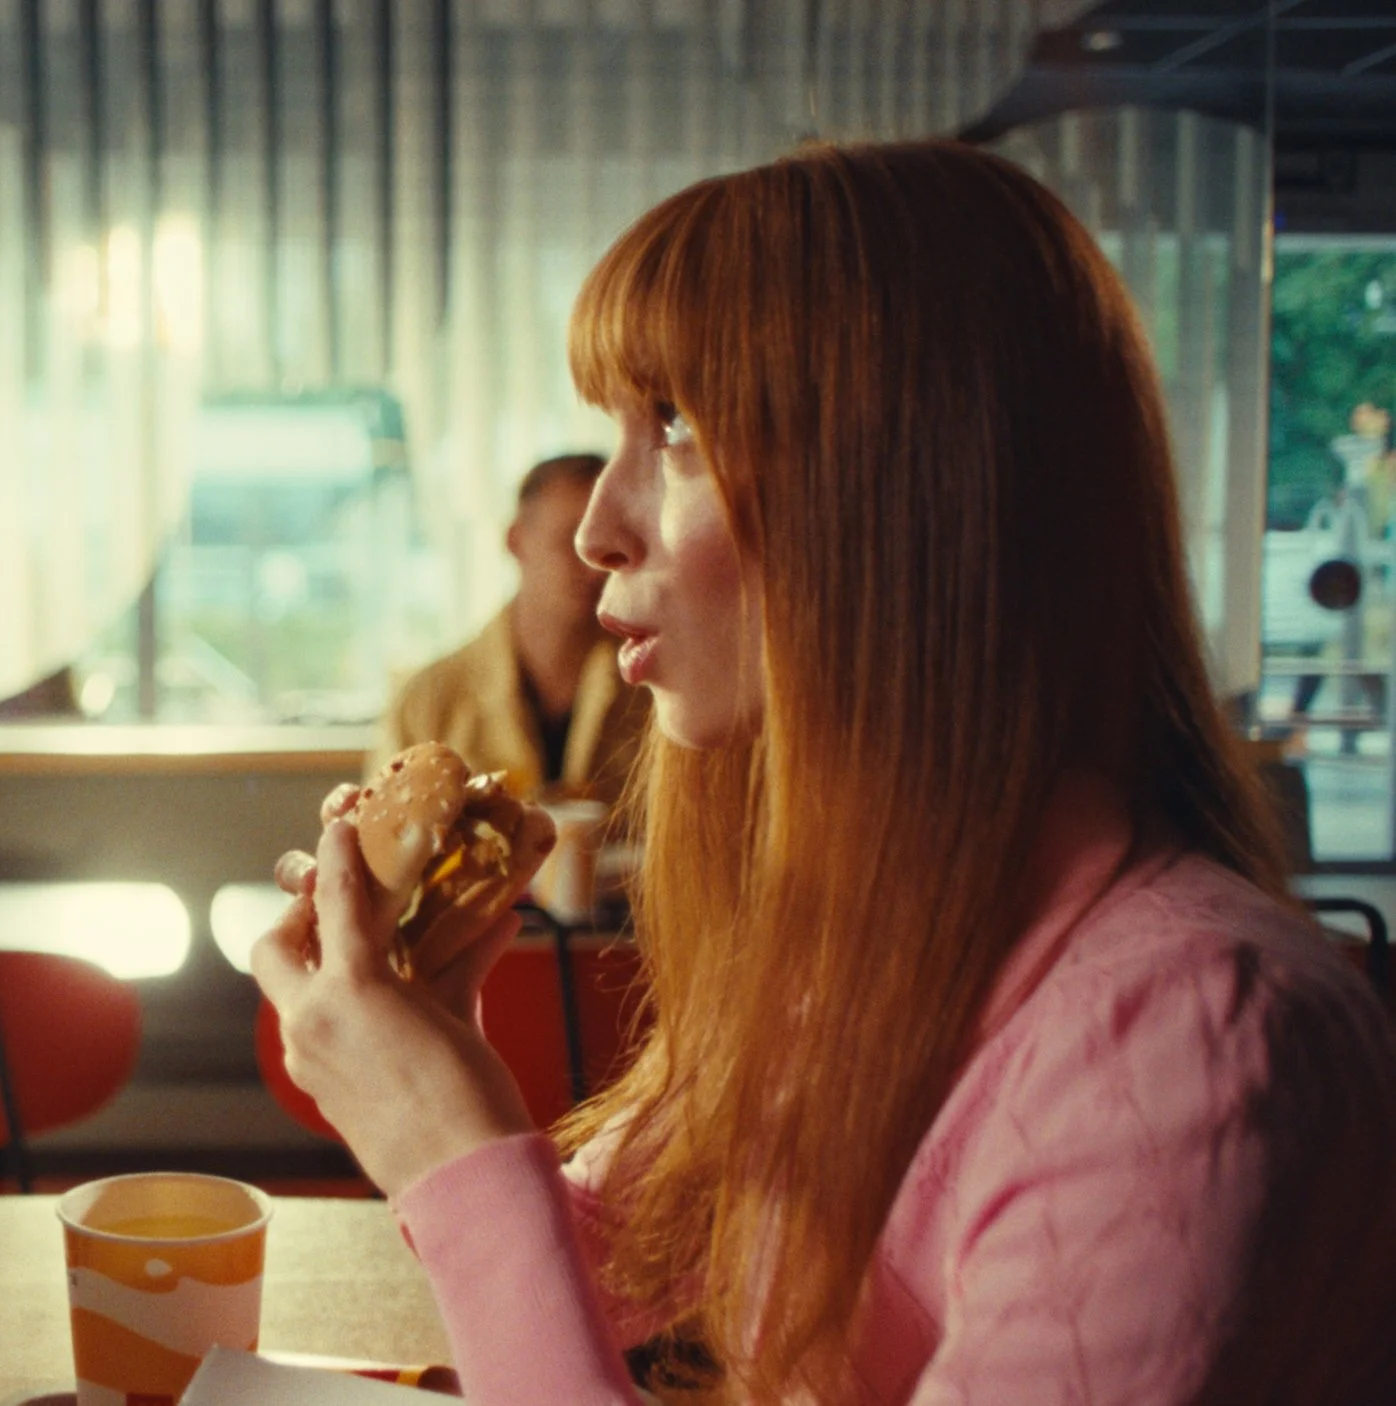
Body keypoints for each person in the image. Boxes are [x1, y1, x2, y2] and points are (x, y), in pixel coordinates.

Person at [253, 142, 1396, 1403]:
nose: (595, 531)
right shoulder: (862, 939)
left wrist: (451, 1149)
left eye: (676, 427)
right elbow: (613, 1265)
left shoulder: (1186, 1052)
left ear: (907, 485)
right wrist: (425, 1053)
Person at [373, 454, 647, 804]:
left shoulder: (654, 690)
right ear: (515, 541)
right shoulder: (430, 700)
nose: (596, 569)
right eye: (573, 541)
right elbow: (386, 845)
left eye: (611, 548)